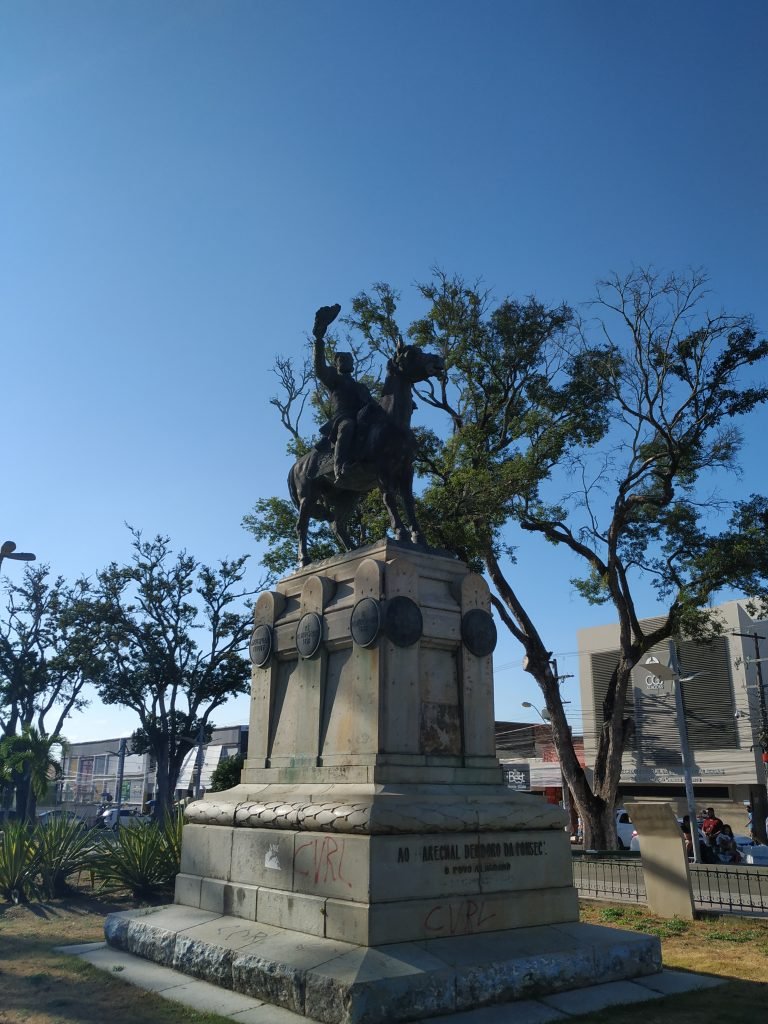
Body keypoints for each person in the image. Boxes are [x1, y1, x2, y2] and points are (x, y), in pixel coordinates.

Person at [313, 304, 374, 482]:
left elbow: (373, 405)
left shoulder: (361, 387)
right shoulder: (334, 379)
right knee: (347, 427)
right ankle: (339, 467)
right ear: (336, 364)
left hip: (362, 417)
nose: (345, 361)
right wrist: (318, 340)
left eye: (348, 359)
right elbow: (319, 368)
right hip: (343, 418)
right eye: (341, 359)